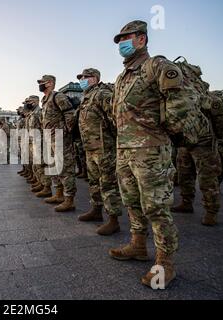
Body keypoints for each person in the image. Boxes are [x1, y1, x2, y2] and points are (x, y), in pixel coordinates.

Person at [109, 20, 181, 289]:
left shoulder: (157, 66)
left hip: (150, 150)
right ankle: (138, 245)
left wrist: (165, 132)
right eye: (119, 41)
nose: (121, 44)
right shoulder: (123, 76)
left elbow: (180, 102)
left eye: (125, 38)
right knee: (132, 202)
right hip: (125, 150)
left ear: (141, 39)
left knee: (156, 207)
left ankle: (165, 262)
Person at [76, 68, 123, 236]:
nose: (81, 79)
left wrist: (112, 140)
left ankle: (113, 220)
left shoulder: (102, 94)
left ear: (94, 78)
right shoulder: (86, 97)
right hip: (90, 148)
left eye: (84, 77)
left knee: (108, 184)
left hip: (105, 148)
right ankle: (96, 210)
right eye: (80, 77)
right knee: (94, 182)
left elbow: (116, 118)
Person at [38, 75, 77, 212]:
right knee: (53, 167)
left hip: (60, 138)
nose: (40, 85)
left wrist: (66, 131)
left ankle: (69, 199)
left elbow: (69, 114)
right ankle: (59, 194)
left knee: (65, 169)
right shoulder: (45, 100)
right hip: (50, 138)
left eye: (42, 82)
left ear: (49, 83)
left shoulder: (58, 96)